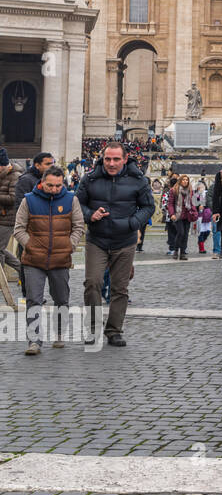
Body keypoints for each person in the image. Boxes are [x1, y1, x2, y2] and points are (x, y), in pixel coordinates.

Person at [76, 141, 154, 347]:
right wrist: (89, 215)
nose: (111, 163)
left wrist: (133, 223)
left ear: (125, 159)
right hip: (97, 239)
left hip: (124, 240)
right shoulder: (90, 178)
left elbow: (148, 207)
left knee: (120, 288)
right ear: (102, 158)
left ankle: (114, 330)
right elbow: (77, 204)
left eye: (116, 159)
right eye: (107, 159)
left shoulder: (138, 180)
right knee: (92, 283)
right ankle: (93, 329)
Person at [13, 165, 84, 355]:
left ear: (63, 184)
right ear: (42, 182)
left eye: (58, 186)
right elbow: (19, 228)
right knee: (33, 300)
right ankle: (34, 341)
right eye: (50, 185)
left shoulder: (71, 200)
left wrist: (70, 246)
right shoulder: (28, 201)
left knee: (61, 299)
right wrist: (31, 245)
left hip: (60, 258)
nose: (54, 189)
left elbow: (78, 226)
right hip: (33, 259)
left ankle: (59, 334)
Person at [165, 174, 199, 259]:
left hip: (188, 215)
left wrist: (195, 212)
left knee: (185, 235)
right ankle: (176, 250)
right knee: (181, 232)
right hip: (177, 215)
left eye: (186, 180)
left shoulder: (190, 191)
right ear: (180, 181)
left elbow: (193, 203)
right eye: (183, 180)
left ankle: (183, 252)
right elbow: (170, 204)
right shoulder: (174, 190)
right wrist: (172, 214)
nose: (185, 181)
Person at [0, 148, 19, 264]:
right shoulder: (2, 175)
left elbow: (13, 198)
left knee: (0, 250)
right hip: (1, 216)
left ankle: (1, 281)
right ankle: (22, 270)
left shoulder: (15, 176)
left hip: (8, 218)